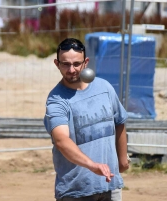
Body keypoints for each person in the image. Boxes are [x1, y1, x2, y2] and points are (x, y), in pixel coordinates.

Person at [44, 38, 130, 201]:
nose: (71, 70)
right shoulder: (56, 100)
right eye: (65, 64)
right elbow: (62, 140)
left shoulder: (104, 88)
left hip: (109, 185)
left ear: (86, 63)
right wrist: (92, 165)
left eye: (76, 64)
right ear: (57, 64)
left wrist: (123, 159)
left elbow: (119, 121)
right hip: (76, 190)